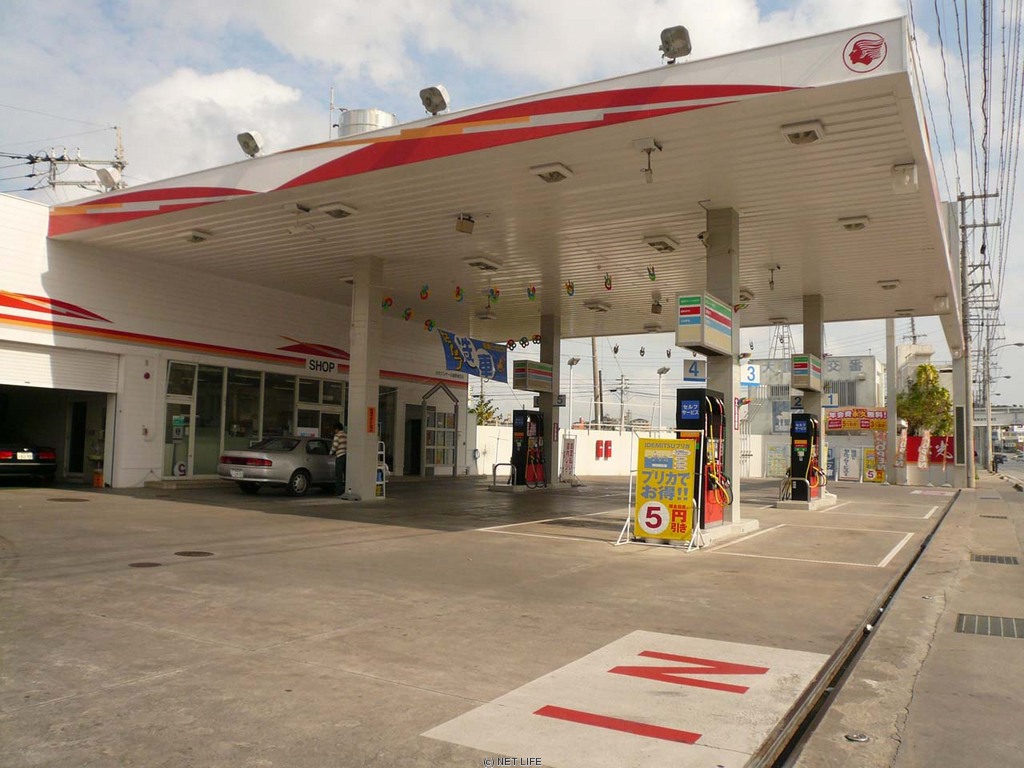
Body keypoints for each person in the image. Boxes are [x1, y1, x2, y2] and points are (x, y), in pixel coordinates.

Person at [332, 422, 347, 497]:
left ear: (336, 429)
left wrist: (331, 452)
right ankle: (346, 490)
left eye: (335, 429)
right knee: (346, 474)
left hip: (339, 456)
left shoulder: (337, 435)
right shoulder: (346, 435)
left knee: (338, 475)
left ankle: (338, 492)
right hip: (346, 456)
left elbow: (335, 446)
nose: (334, 431)